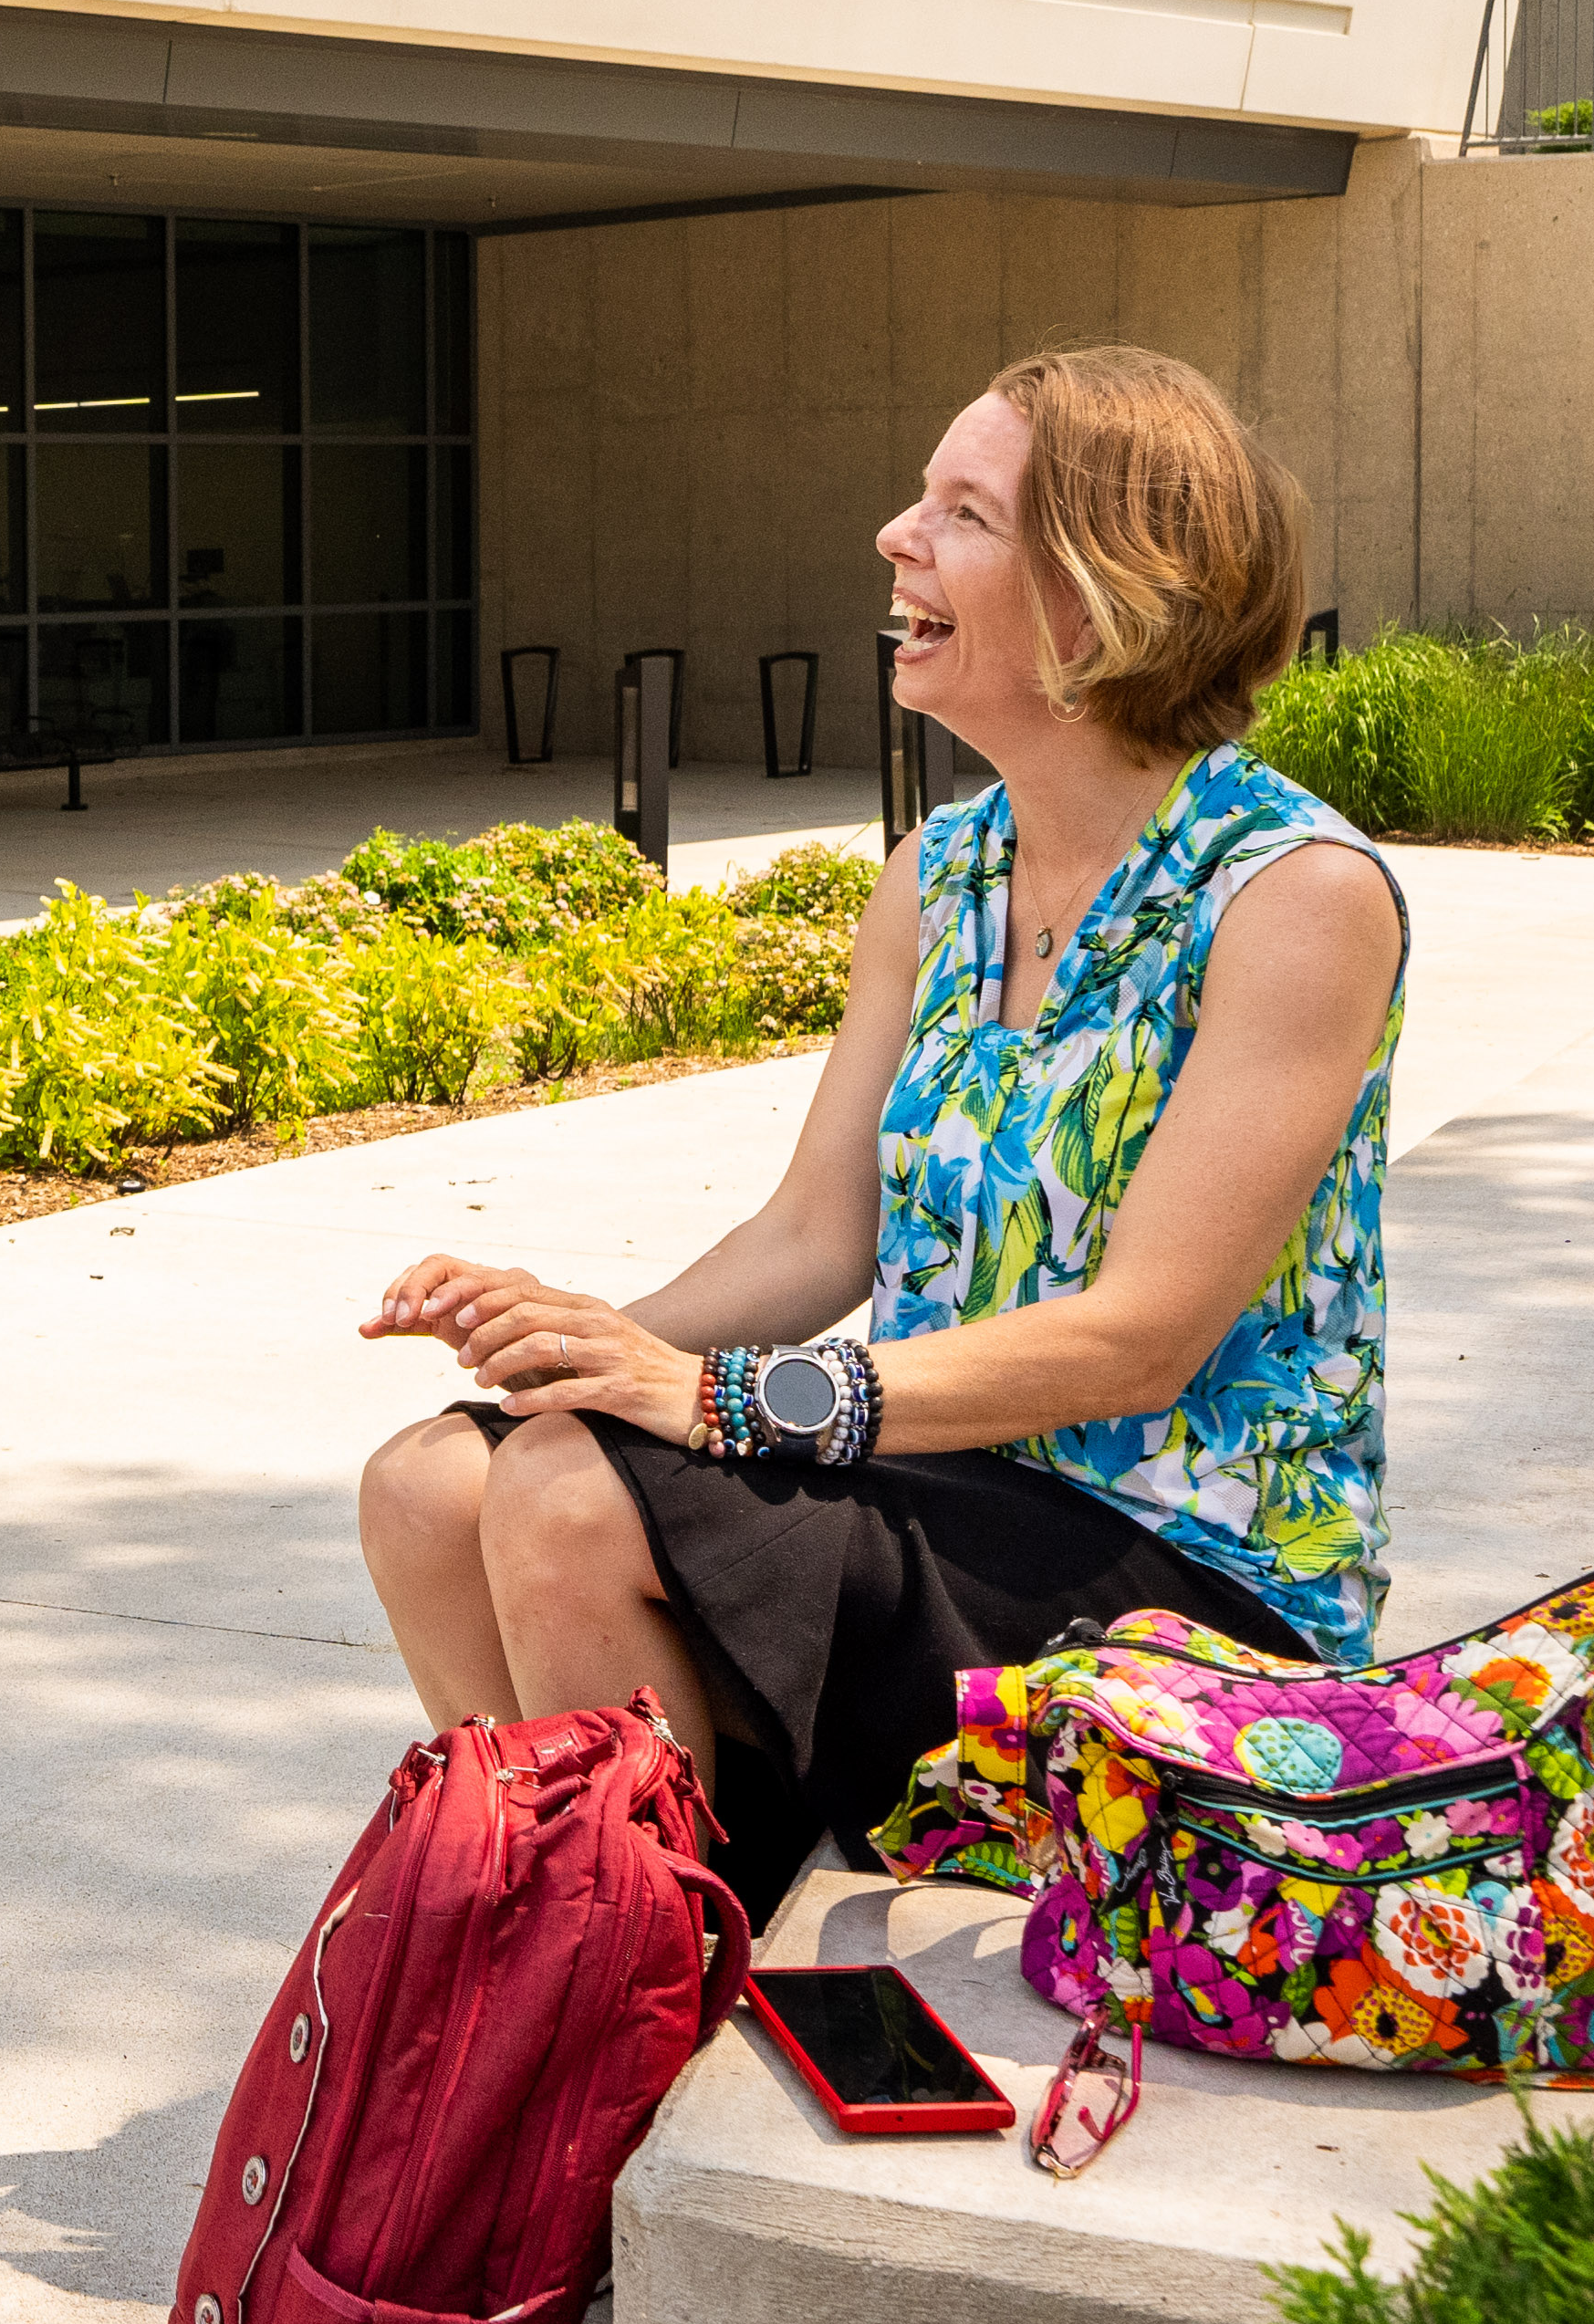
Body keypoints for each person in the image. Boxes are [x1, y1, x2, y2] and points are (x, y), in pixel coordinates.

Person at [352, 344, 1405, 1917]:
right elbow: (815, 1241)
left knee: (573, 1496)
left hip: (1176, 1569)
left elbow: (1139, 1344)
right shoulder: (944, 869)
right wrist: (580, 1345)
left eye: (962, 513)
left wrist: (710, 1401)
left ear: (1105, 594)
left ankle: (636, 2000)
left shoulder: (1294, 895)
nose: (895, 538)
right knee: (433, 1482)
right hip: (935, 1478)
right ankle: (580, 1951)